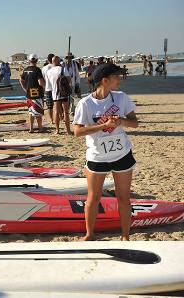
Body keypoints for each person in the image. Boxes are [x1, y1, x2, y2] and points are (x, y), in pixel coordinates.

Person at [73, 63, 138, 241]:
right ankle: (89, 234)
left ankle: (125, 236)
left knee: (123, 198)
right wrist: (104, 125)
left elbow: (135, 122)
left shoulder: (121, 98)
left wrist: (122, 121)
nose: (120, 79)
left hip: (122, 154)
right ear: (105, 80)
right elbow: (77, 132)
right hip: (97, 157)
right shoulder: (85, 104)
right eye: (117, 76)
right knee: (93, 197)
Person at [46, 56, 73, 135]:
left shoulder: (49, 71)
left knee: (56, 112)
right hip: (64, 92)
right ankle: (68, 130)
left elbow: (49, 84)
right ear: (58, 61)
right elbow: (69, 80)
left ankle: (57, 130)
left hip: (55, 93)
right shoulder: (63, 69)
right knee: (66, 112)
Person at [20, 54, 46, 133]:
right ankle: (40, 128)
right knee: (38, 112)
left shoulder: (25, 70)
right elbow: (40, 82)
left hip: (29, 94)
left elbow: (21, 80)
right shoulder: (37, 70)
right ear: (37, 61)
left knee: (31, 112)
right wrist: (44, 88)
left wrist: (25, 89)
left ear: (29, 60)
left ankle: (31, 128)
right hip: (37, 94)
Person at [41, 53, 55, 124]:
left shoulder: (44, 68)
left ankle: (52, 119)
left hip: (47, 88)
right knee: (58, 104)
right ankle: (61, 117)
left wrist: (44, 86)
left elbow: (42, 79)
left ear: (47, 60)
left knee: (50, 106)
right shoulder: (56, 67)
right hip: (56, 88)